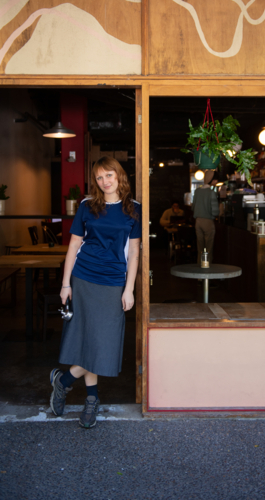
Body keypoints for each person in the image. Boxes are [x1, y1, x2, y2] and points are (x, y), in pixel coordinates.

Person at [50, 156, 141, 429]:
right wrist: (65, 284)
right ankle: (92, 398)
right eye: (99, 177)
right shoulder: (88, 206)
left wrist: (130, 289)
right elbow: (74, 245)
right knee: (88, 339)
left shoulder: (133, 209)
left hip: (114, 282)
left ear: (119, 176)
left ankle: (63, 381)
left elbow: (135, 251)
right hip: (84, 278)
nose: (104, 182)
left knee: (104, 343)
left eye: (109, 175)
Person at [192, 170, 219, 265]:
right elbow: (215, 211)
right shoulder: (211, 193)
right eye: (215, 180)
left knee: (200, 247)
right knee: (208, 248)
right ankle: (206, 269)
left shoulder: (197, 191)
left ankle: (200, 272)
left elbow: (193, 207)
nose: (216, 182)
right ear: (213, 180)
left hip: (198, 221)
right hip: (208, 222)